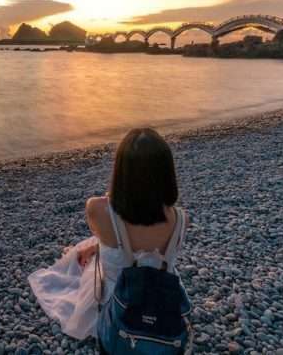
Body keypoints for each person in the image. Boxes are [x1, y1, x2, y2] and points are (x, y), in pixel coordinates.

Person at [28, 128, 191, 351]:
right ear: (166, 172)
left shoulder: (98, 209)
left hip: (117, 300)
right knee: (94, 245)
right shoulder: (181, 219)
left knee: (88, 248)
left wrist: (115, 198)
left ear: (121, 170)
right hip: (161, 296)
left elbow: (116, 232)